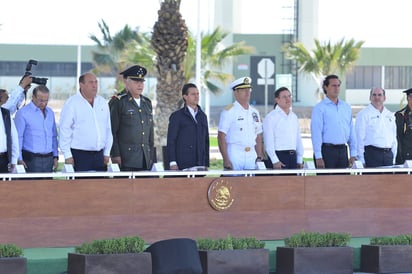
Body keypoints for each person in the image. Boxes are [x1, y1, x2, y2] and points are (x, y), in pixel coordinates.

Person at [59, 72, 113, 172]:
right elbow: (65, 130)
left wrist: (107, 152)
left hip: (99, 155)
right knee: (80, 186)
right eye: (91, 82)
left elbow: (108, 129)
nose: (94, 85)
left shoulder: (102, 103)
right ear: (81, 85)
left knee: (101, 186)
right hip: (79, 155)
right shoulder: (72, 103)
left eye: (96, 82)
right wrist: (67, 155)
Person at [110, 65, 154, 171]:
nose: (140, 85)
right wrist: (115, 154)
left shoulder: (147, 103)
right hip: (126, 159)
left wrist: (151, 155)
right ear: (126, 82)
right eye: (136, 82)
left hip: (145, 158)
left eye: (142, 82)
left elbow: (150, 133)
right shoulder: (118, 101)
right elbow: (111, 130)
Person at [311, 74, 357, 169]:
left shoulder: (346, 107)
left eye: (338, 85)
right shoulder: (320, 108)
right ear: (325, 87)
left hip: (343, 151)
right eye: (333, 86)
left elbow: (351, 131)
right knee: (327, 183)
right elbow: (316, 133)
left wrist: (353, 154)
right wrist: (318, 156)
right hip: (327, 151)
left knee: (343, 182)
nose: (336, 88)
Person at [218, 76, 264, 170]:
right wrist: (226, 159)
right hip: (235, 153)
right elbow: (221, 136)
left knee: (251, 183)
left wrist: (259, 156)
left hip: (251, 155)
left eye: (249, 89)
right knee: (234, 183)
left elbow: (258, 136)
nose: (247, 92)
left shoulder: (254, 112)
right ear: (236, 92)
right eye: (243, 90)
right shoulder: (229, 111)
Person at [14, 85, 59, 172]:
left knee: (48, 185)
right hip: (30, 160)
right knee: (31, 185)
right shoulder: (23, 113)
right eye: (41, 100)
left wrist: (55, 156)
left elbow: (53, 136)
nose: (44, 103)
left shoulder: (50, 112)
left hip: (49, 159)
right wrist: (19, 159)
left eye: (46, 100)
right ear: (33, 97)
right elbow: (18, 138)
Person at [166, 83, 209, 170]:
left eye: (197, 94)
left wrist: (206, 163)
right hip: (183, 164)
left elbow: (206, 141)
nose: (196, 97)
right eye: (193, 94)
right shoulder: (177, 116)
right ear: (185, 96)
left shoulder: (203, 116)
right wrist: (172, 162)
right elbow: (171, 141)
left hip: (199, 164)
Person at [263, 87, 304, 169]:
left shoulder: (294, 117)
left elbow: (298, 139)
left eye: (289, 96)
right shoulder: (271, 117)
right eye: (284, 97)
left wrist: (299, 159)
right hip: (279, 157)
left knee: (295, 182)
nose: (288, 99)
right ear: (277, 100)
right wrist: (275, 161)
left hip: (293, 157)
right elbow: (268, 142)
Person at [355, 87, 397, 167]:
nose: (377, 97)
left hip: (388, 156)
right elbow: (359, 139)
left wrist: (393, 158)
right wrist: (361, 160)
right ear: (370, 97)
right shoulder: (363, 114)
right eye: (374, 95)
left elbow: (394, 139)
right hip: (372, 155)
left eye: (379, 95)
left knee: (388, 180)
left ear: (384, 98)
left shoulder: (390, 115)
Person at [395, 88, 412, 165]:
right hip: (405, 158)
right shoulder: (400, 115)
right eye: (411, 97)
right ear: (407, 98)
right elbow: (398, 138)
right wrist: (399, 159)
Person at [0, 105, 18, 173]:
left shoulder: (6, 113)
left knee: (4, 183)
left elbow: (14, 136)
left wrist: (13, 159)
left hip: (3, 159)